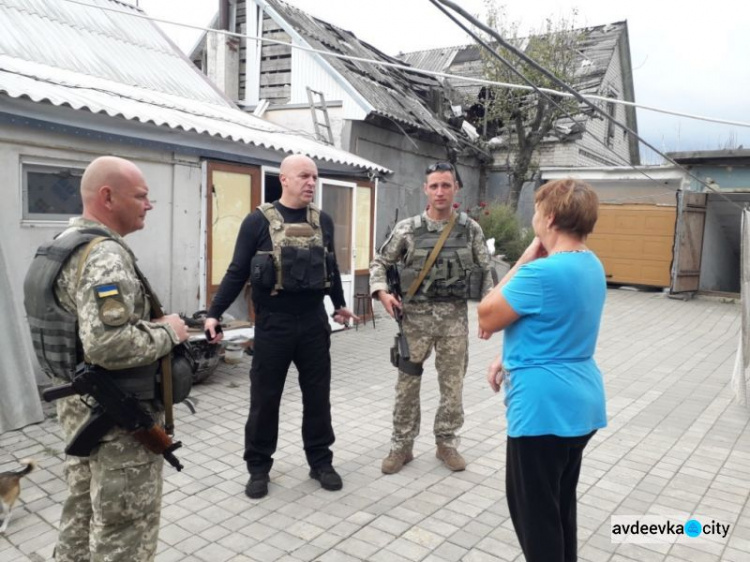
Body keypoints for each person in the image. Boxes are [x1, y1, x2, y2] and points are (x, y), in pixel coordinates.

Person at [23, 156, 189, 561]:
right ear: (107, 197)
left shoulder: (63, 246)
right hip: (116, 420)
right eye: (141, 196)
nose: (149, 204)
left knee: (81, 511)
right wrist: (171, 331)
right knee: (125, 529)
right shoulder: (104, 257)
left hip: (83, 412)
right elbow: (108, 345)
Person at [204, 154, 357, 499]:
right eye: (304, 176)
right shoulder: (257, 222)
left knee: (318, 397)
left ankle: (321, 461)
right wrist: (214, 312)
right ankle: (258, 468)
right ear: (284, 180)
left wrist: (340, 306)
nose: (311, 183)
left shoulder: (324, 222)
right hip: (273, 324)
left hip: (314, 322)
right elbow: (237, 271)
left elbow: (330, 267)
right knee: (265, 399)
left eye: (315, 177)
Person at [477, 178, 607, 562]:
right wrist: (509, 355)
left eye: (536, 211)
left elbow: (487, 311)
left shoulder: (541, 273)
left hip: (542, 411)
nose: (533, 217)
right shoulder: (590, 263)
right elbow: (557, 322)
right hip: (580, 404)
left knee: (536, 521)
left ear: (549, 218)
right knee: (559, 508)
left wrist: (527, 256)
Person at [369, 161, 494, 474]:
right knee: (406, 388)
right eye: (434, 185)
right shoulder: (407, 229)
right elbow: (380, 263)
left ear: (456, 189)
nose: (440, 191)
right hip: (413, 324)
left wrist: (488, 314)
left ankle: (446, 444)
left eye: (446, 185)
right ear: (425, 189)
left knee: (452, 388)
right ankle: (401, 447)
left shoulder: (470, 230)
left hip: (454, 324)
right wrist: (382, 293)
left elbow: (486, 274)